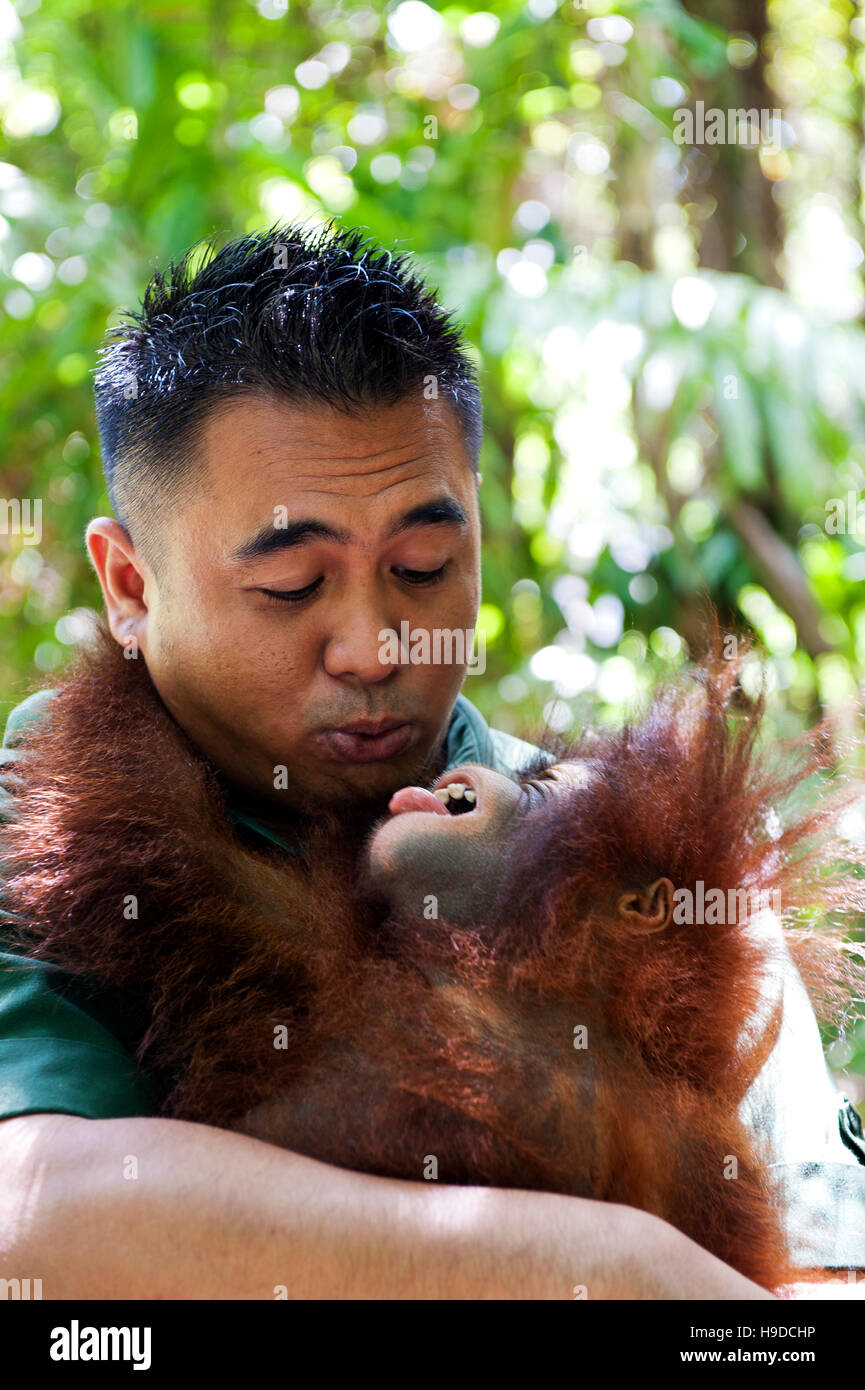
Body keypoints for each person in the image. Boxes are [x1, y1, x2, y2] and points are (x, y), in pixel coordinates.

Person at [0, 221, 859, 1299]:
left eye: (422, 565)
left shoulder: (629, 845)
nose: (375, 649)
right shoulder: (61, 810)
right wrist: (599, 1265)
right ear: (129, 586)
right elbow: (29, 1214)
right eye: (292, 587)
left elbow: (822, 1269)